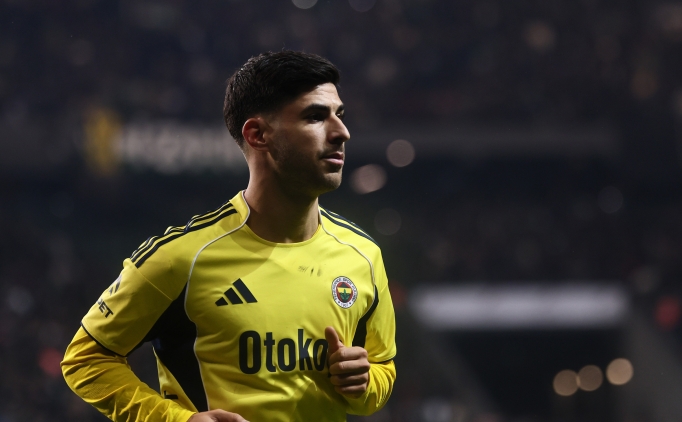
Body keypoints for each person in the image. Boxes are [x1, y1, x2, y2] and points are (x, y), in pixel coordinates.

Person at [61, 50, 396, 422]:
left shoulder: (363, 255)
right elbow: (85, 359)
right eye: (315, 116)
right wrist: (176, 420)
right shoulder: (181, 258)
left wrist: (364, 383)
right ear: (258, 134)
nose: (341, 132)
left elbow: (382, 368)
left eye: (339, 115)